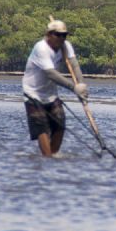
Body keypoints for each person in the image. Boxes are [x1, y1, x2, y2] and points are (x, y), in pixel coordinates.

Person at [22, 18, 89, 157]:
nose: (61, 38)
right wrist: (73, 88)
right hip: (33, 93)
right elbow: (51, 74)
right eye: (58, 35)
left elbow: (74, 65)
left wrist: (81, 85)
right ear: (49, 35)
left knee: (60, 124)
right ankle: (47, 158)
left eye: (64, 35)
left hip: (51, 94)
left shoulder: (66, 46)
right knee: (42, 127)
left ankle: (52, 157)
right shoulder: (41, 48)